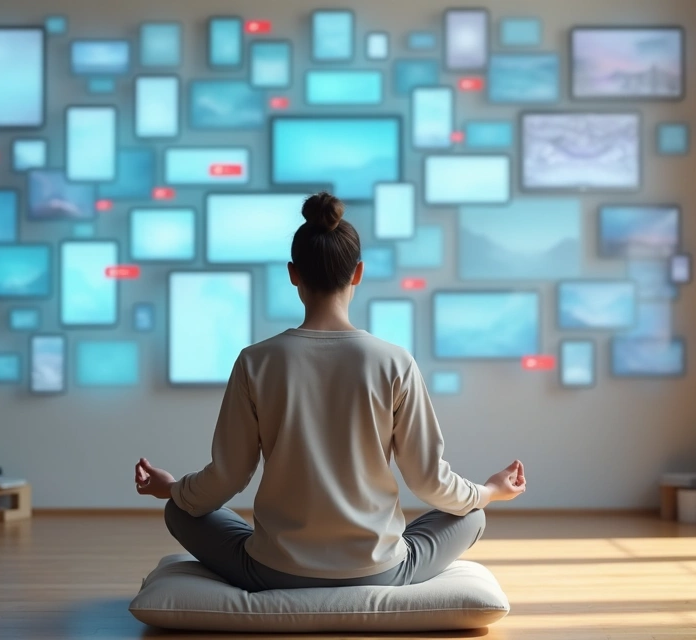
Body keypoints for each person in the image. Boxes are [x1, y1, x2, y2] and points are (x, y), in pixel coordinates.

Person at [134, 192, 526, 592]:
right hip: (378, 569)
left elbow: (227, 477)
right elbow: (428, 481)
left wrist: (171, 488)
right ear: (358, 273)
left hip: (273, 569)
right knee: (472, 513)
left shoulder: (255, 361)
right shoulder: (395, 362)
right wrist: (490, 490)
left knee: (180, 511)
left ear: (293, 273)